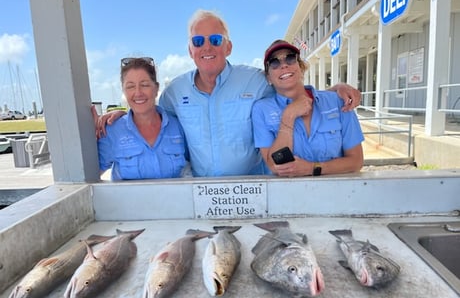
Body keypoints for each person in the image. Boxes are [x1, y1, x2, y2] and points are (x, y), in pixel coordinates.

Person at [95, 9, 361, 177]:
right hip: (203, 192)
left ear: (228, 46)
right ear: (190, 50)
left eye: (216, 40)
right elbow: (152, 113)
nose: (207, 46)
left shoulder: (255, 80)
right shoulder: (175, 92)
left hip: (253, 186)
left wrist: (332, 94)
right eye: (198, 41)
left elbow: (288, 84)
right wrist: (121, 113)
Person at [252, 40, 364, 177]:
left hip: (337, 193)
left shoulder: (337, 101)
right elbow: (275, 166)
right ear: (268, 77)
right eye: (274, 62)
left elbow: (356, 161)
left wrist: (313, 168)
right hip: (288, 195)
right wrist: (289, 115)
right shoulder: (261, 110)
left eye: (290, 58)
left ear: (301, 67)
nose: (284, 65)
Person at [94, 57, 188, 180]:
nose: (138, 93)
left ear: (156, 88)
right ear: (123, 90)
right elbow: (91, 176)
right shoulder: (111, 131)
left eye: (144, 85)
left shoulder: (179, 126)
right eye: (130, 86)